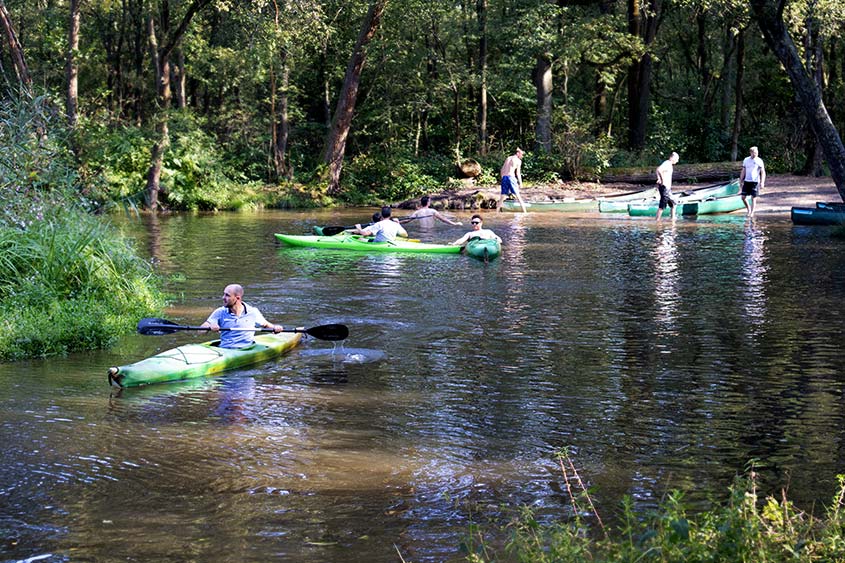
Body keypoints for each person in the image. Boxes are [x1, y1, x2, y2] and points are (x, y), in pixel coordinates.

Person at [200, 284, 284, 349]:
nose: (223, 297)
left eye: (227, 295)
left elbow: (266, 325)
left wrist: (275, 328)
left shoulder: (253, 312)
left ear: (238, 298)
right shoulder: (220, 312)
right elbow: (200, 331)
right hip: (224, 349)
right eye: (224, 294)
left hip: (245, 350)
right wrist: (210, 326)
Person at [498, 148, 528, 213]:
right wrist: (520, 183)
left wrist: (503, 177)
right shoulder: (518, 161)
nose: (522, 156)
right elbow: (518, 173)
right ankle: (525, 213)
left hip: (504, 177)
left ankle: (496, 212)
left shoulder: (508, 158)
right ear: (518, 153)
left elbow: (502, 169)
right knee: (518, 196)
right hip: (511, 177)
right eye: (522, 154)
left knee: (502, 196)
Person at [740, 146, 766, 216]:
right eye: (754, 153)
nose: (755, 154)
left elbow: (763, 172)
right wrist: (741, 180)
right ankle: (748, 209)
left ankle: (752, 212)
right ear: (750, 152)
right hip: (747, 181)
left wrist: (762, 182)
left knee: (753, 197)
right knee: (743, 197)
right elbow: (743, 171)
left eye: (756, 152)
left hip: (755, 181)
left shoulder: (759, 161)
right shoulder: (746, 160)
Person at [655, 152, 680, 222]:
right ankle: (657, 221)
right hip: (664, 187)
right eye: (677, 159)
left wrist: (659, 178)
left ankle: (672, 218)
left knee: (674, 203)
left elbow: (657, 169)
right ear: (673, 158)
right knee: (662, 205)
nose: (677, 161)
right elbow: (659, 169)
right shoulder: (667, 163)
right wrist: (662, 179)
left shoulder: (668, 164)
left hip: (667, 189)